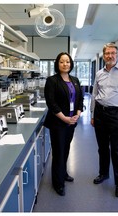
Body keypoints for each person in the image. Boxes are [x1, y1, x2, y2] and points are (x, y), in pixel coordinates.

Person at [90, 43, 118, 197]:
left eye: (113, 53)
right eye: (107, 53)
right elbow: (94, 95)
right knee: (102, 148)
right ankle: (103, 174)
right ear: (104, 55)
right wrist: (93, 114)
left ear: (117, 55)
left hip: (115, 114)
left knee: (116, 150)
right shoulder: (99, 73)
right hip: (100, 113)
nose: (110, 56)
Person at [44, 52, 84, 196]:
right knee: (58, 152)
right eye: (62, 62)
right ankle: (58, 183)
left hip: (71, 122)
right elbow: (52, 103)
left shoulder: (75, 80)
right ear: (57, 64)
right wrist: (65, 118)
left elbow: (80, 99)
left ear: (71, 63)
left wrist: (77, 115)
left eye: (67, 61)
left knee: (66, 149)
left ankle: (63, 172)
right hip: (58, 123)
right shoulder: (52, 81)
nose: (65, 64)